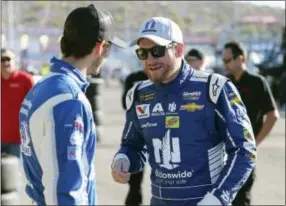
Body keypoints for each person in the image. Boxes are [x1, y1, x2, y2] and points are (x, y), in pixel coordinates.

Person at [111, 17, 256, 206]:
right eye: (142, 53)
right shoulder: (138, 94)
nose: (150, 60)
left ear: (179, 50)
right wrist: (123, 159)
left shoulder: (215, 89)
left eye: (157, 50)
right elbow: (133, 145)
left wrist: (218, 197)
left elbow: (244, 151)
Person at [19, 4, 126, 205]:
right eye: (109, 49)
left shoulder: (41, 86)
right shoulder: (69, 101)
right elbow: (65, 189)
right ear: (100, 47)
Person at [222, 41, 280, 206]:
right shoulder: (224, 83)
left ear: (240, 58)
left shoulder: (257, 82)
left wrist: (255, 143)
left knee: (241, 199)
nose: (224, 64)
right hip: (223, 152)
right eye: (223, 60)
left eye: (227, 60)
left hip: (244, 152)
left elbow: (272, 115)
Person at [121, 68, 148, 206]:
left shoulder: (166, 77)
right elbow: (125, 103)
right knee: (136, 176)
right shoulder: (133, 78)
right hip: (139, 130)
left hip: (165, 129)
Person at [1, 48, 34, 158]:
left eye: (8, 59)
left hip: (18, 139)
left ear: (14, 61)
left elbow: (34, 106)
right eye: (2, 59)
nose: (5, 63)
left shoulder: (25, 80)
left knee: (14, 174)